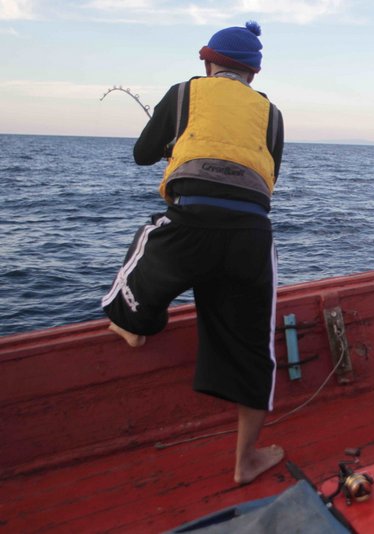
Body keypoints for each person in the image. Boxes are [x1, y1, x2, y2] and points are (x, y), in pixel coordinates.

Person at [101, 20, 285, 484]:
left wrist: (175, 147)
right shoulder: (272, 114)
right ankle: (246, 462)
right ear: (254, 75)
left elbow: (143, 154)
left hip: (190, 223)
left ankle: (133, 327)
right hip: (250, 235)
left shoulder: (185, 93)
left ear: (207, 62)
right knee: (252, 350)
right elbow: (268, 179)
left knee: (145, 250)